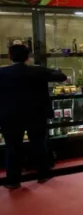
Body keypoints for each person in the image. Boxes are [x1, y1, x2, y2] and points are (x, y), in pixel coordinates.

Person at [0, 44, 67, 189]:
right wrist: (44, 69)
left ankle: (13, 181)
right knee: (39, 144)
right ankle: (43, 174)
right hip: (36, 114)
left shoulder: (2, 72)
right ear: (28, 57)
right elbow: (61, 76)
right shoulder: (38, 70)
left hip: (10, 115)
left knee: (12, 147)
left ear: (10, 56)